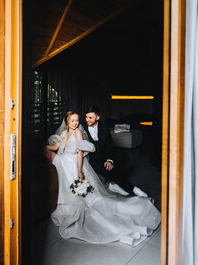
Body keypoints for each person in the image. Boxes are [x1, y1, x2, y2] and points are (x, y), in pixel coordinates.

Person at [46, 111, 160, 246]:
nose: (75, 123)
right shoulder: (64, 133)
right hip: (65, 162)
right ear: (67, 121)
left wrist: (79, 171)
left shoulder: (78, 132)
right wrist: (46, 147)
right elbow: (57, 146)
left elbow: (80, 153)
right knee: (61, 171)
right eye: (72, 121)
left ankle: (127, 197)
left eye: (77, 120)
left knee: (91, 198)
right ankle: (65, 204)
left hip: (74, 163)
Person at [82, 105, 147, 197]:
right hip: (91, 157)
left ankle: (114, 183)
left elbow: (109, 145)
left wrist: (109, 159)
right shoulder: (82, 128)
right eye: (86, 117)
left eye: (90, 117)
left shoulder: (104, 127)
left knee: (124, 156)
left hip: (104, 154)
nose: (87, 120)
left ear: (98, 118)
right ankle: (132, 189)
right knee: (109, 169)